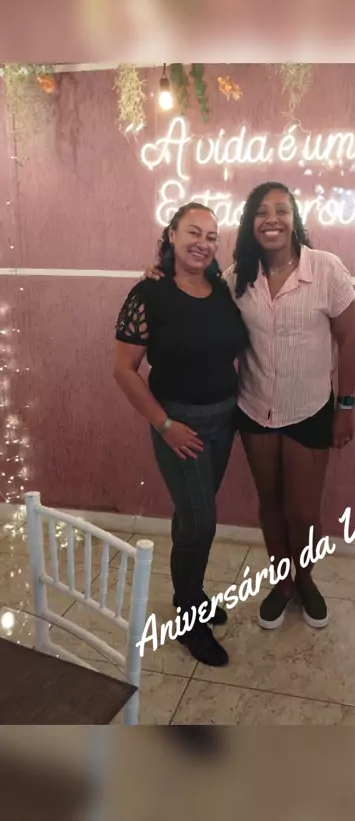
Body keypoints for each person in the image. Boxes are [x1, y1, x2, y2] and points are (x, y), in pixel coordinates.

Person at [145, 181, 355, 633]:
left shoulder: (327, 269)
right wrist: (160, 273)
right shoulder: (236, 278)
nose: (272, 219)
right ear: (251, 223)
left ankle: (306, 579)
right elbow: (192, 288)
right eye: (262, 211)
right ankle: (282, 583)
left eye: (281, 209)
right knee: (271, 503)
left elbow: (350, 340)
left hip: (310, 409)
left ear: (294, 218)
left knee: (304, 512)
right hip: (255, 409)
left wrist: (346, 405)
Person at [113, 202, 249, 667]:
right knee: (201, 521)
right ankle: (190, 617)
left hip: (224, 420)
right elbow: (124, 369)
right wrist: (165, 425)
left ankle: (188, 592)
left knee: (193, 517)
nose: (203, 244)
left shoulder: (223, 289)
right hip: (179, 425)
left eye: (211, 236)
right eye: (193, 232)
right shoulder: (148, 293)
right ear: (171, 234)